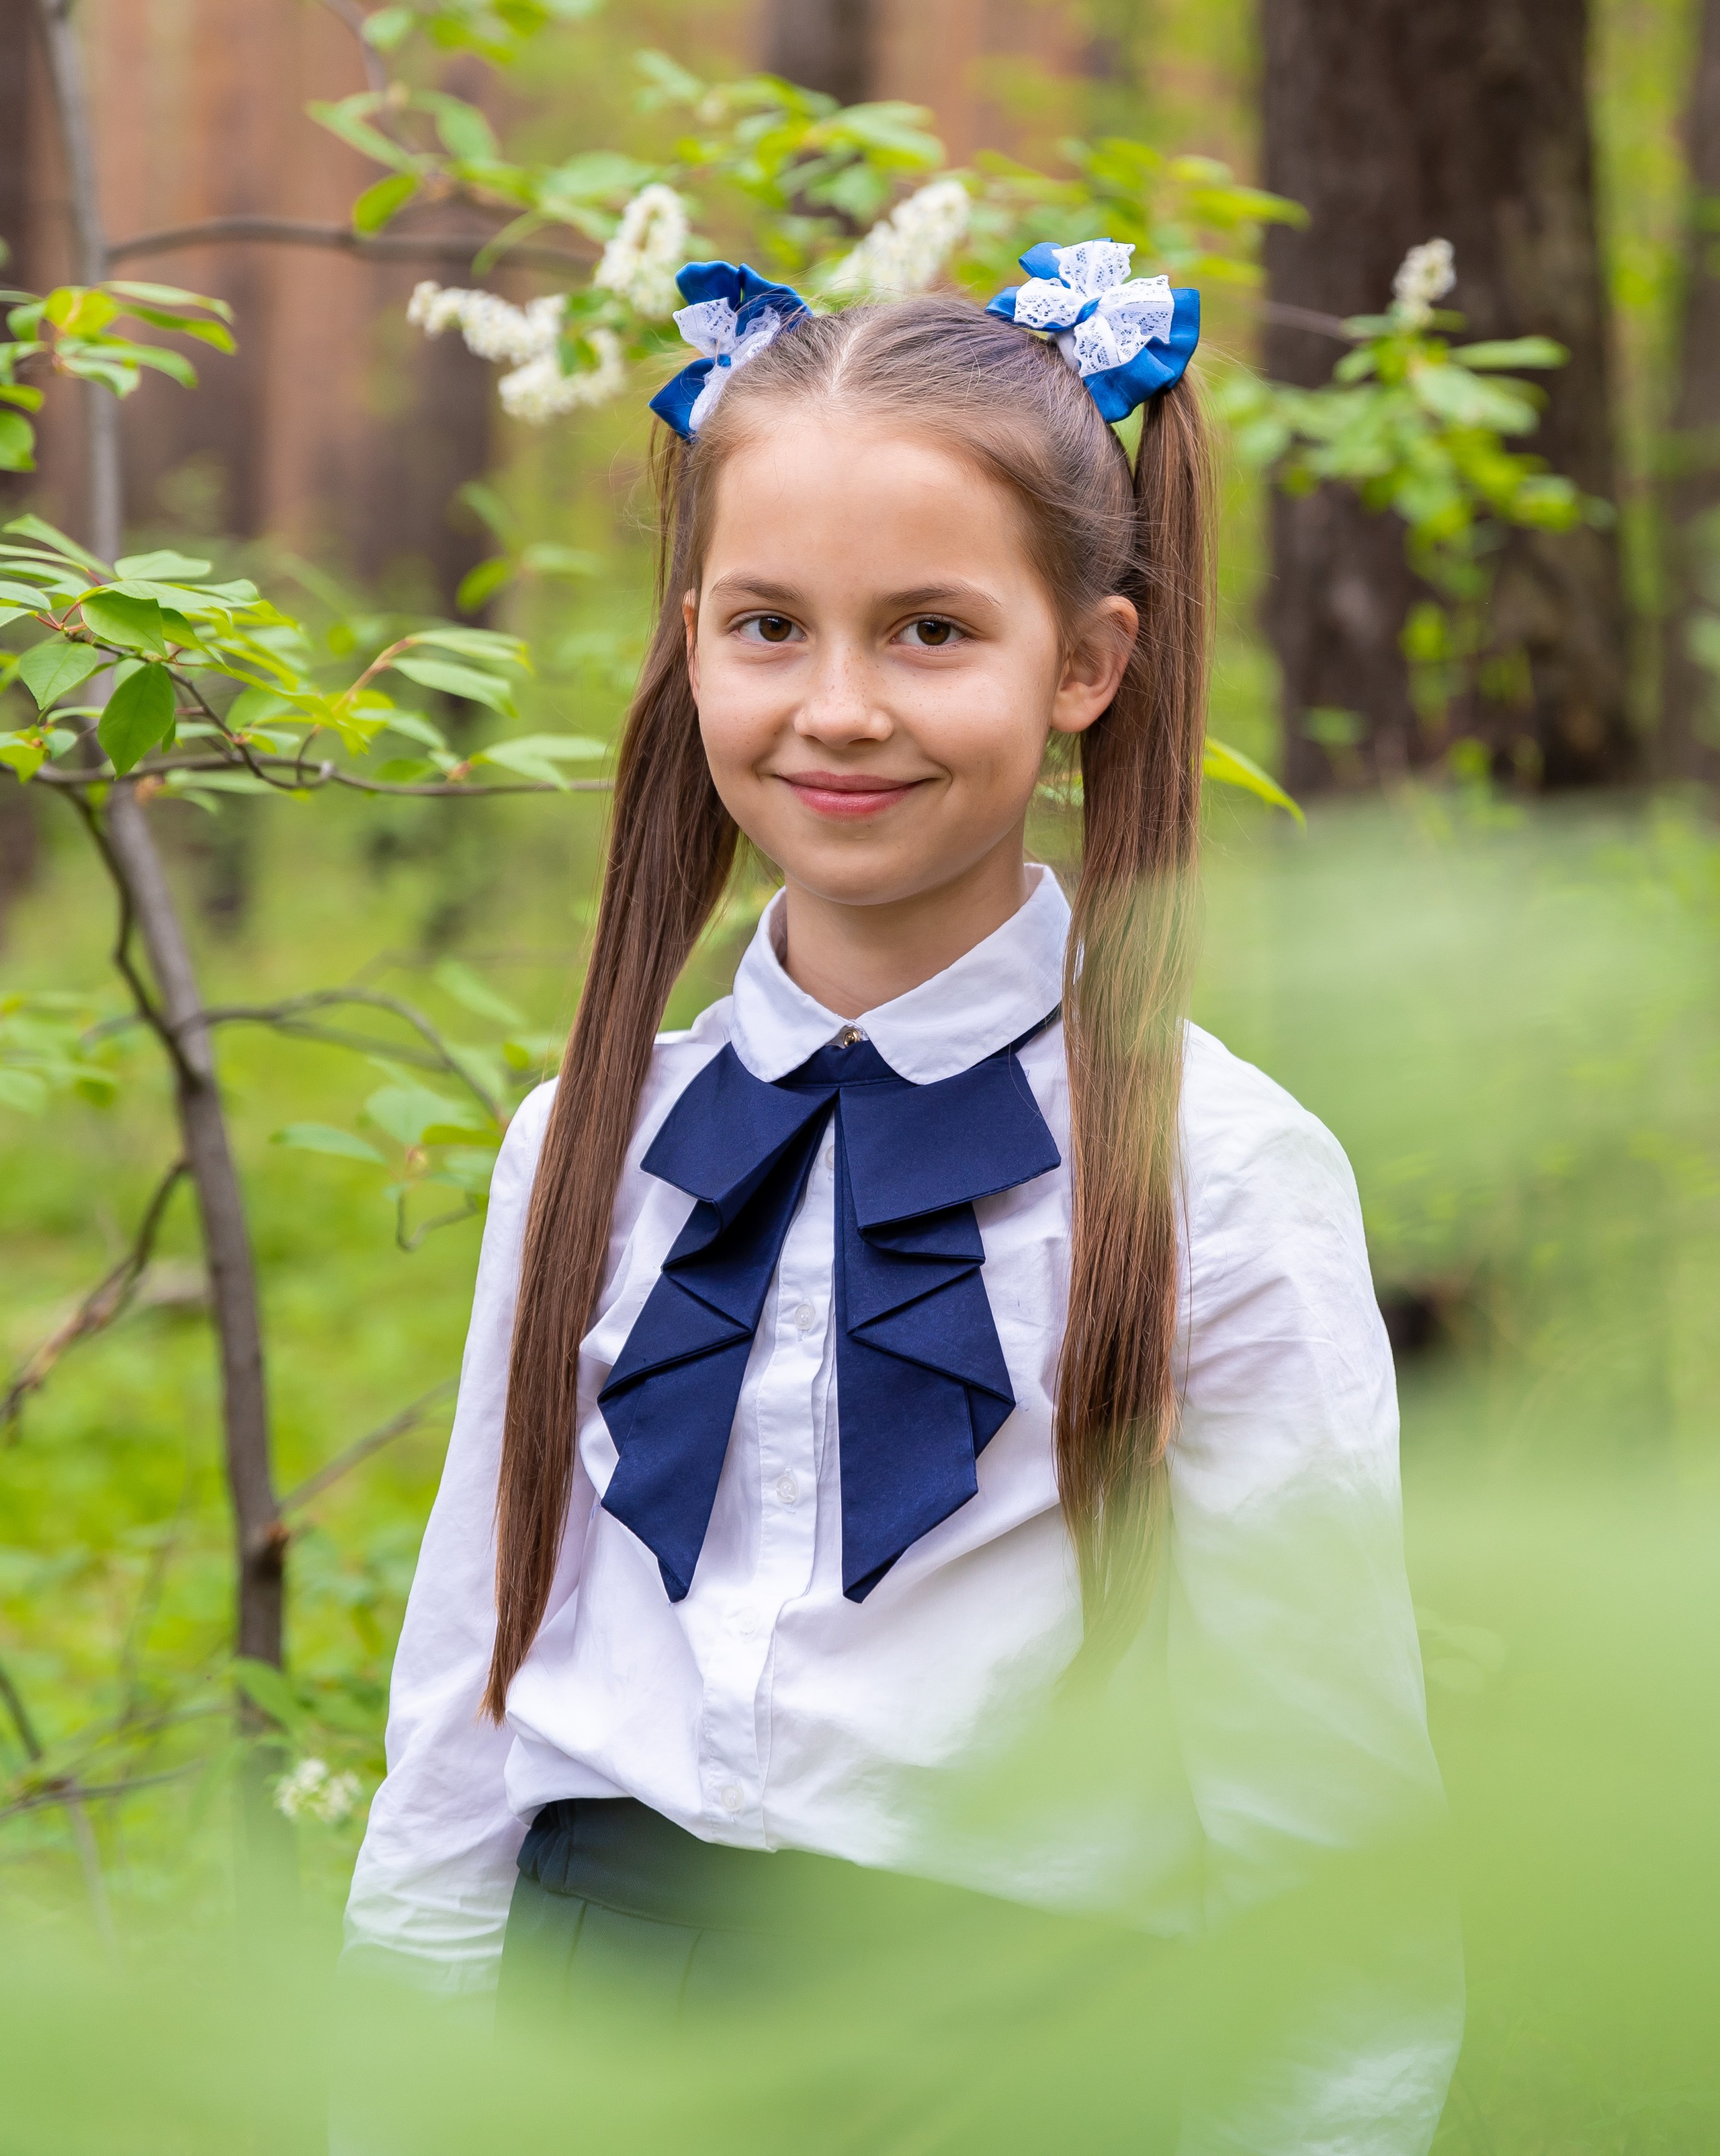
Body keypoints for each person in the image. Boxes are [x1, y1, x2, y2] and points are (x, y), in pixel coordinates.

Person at [343, 241, 1459, 2149]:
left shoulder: (1220, 1177)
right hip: (586, 2038)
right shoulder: (586, 1141)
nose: (838, 706)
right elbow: (471, 1691)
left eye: (931, 630)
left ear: (1090, 660)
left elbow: (1327, 1820)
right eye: (770, 625)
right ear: (690, 637)